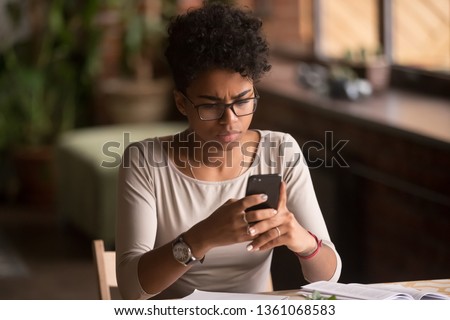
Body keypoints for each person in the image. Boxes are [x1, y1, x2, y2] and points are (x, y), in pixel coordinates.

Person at [116, 2, 341, 300]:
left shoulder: (280, 151)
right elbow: (132, 289)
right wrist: (202, 237)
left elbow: (330, 277)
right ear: (182, 103)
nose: (230, 120)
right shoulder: (144, 162)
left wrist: (302, 240)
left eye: (243, 101)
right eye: (211, 105)